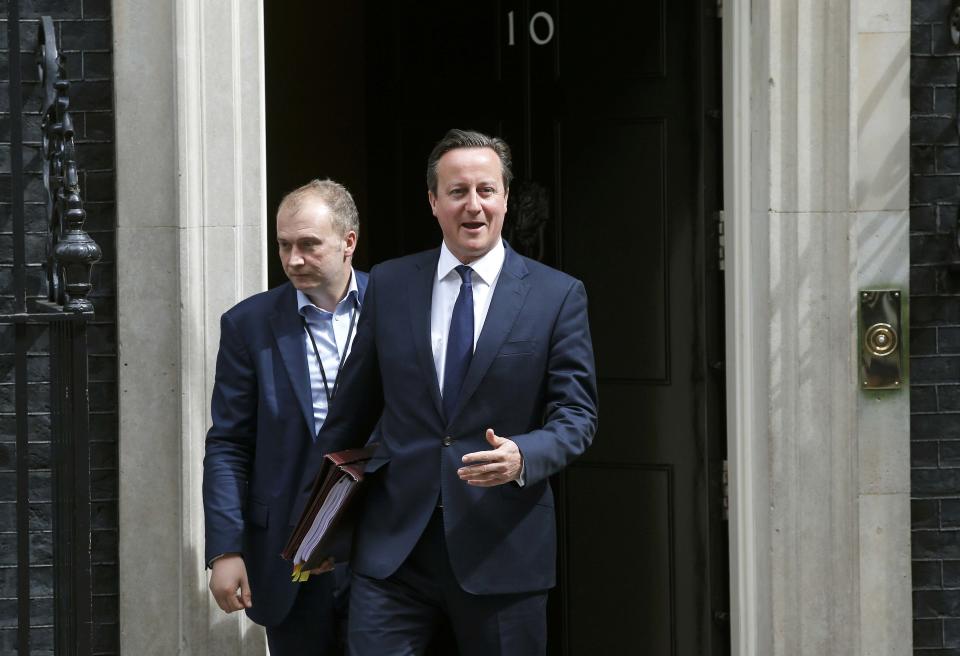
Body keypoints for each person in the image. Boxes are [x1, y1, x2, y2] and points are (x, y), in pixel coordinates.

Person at [297, 129, 598, 655]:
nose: (473, 205)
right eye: (457, 192)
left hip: (502, 550)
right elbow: (351, 412)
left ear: (506, 198)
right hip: (393, 552)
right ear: (433, 203)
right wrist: (318, 527)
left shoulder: (557, 296)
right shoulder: (389, 284)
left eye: (487, 190)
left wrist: (523, 454)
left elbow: (576, 415)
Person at [203, 179, 368, 654]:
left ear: (348, 241)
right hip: (287, 554)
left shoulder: (397, 307)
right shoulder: (247, 324)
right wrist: (225, 548)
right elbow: (229, 443)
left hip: (381, 552)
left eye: (309, 245)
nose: (293, 259)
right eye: (284, 245)